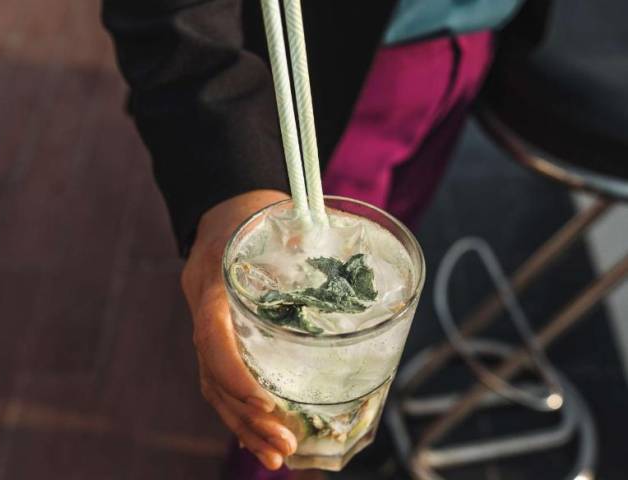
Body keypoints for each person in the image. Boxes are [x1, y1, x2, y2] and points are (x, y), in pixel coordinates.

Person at [102, 1, 550, 478]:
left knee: (385, 267)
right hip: (344, 72)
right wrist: (232, 185)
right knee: (278, 413)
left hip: (473, 42)